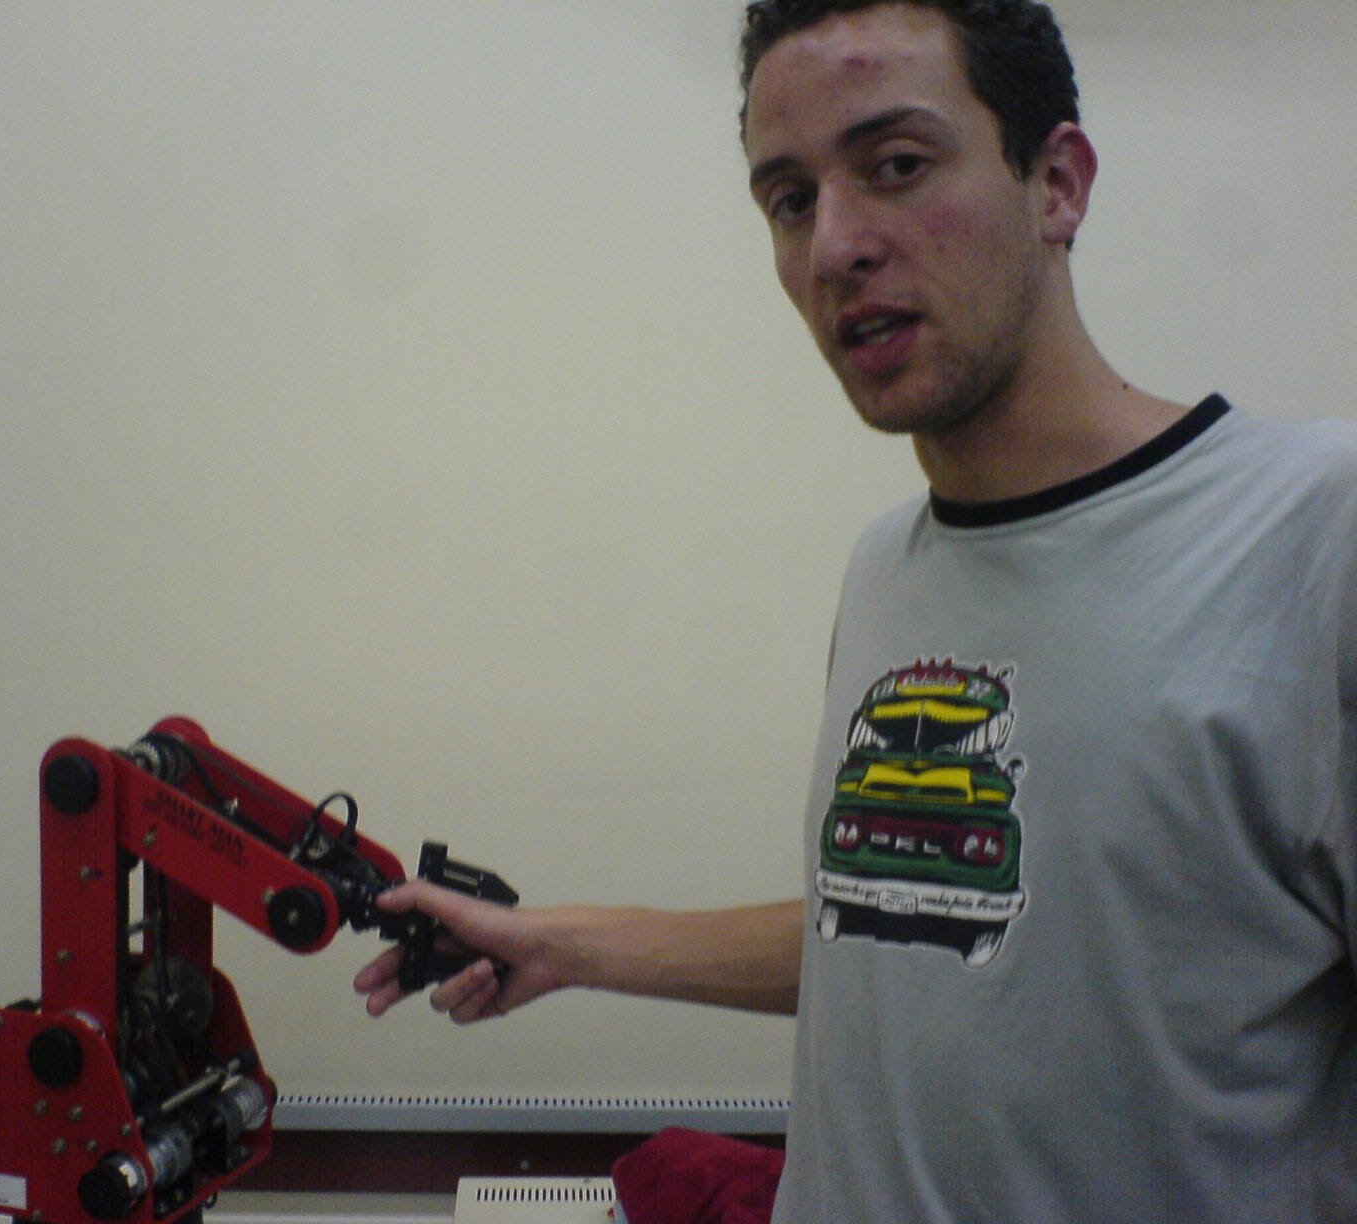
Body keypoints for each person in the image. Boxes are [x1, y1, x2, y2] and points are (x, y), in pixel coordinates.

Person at [355, 1, 1357, 1218]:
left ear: (1056, 184)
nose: (833, 247)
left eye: (896, 165)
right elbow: (908, 933)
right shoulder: (888, 569)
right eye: (790, 199)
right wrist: (565, 946)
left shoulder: (1314, 532)